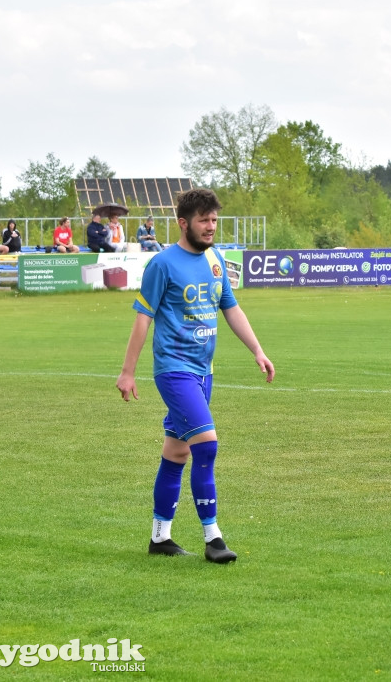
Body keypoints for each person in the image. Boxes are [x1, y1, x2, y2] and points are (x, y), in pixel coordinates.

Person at [116, 188, 275, 563]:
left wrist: (257, 350)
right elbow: (143, 319)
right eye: (203, 220)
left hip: (205, 373)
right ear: (183, 223)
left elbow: (230, 308)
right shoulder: (163, 265)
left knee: (177, 452)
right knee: (207, 445)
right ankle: (213, 537)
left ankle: (160, 537)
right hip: (174, 371)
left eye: (214, 220)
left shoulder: (216, 259)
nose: (210, 227)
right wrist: (128, 372)